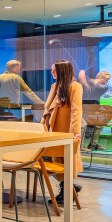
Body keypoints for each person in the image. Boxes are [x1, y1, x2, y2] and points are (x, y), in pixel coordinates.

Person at [41, 60, 83, 204]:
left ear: (63, 71)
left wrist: (75, 132)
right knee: (50, 158)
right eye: (52, 70)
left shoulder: (75, 86)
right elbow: (48, 108)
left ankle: (67, 190)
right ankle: (69, 188)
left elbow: (76, 110)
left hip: (66, 130)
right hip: (52, 128)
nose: (52, 72)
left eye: (55, 70)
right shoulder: (55, 86)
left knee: (65, 160)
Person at [78, 69, 112, 149]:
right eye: (106, 79)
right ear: (100, 77)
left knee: (99, 124)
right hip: (83, 108)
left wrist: (86, 83)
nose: (106, 81)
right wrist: (86, 81)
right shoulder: (89, 82)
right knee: (82, 125)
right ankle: (80, 146)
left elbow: (84, 78)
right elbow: (81, 76)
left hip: (93, 109)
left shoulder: (104, 87)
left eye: (107, 80)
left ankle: (93, 144)